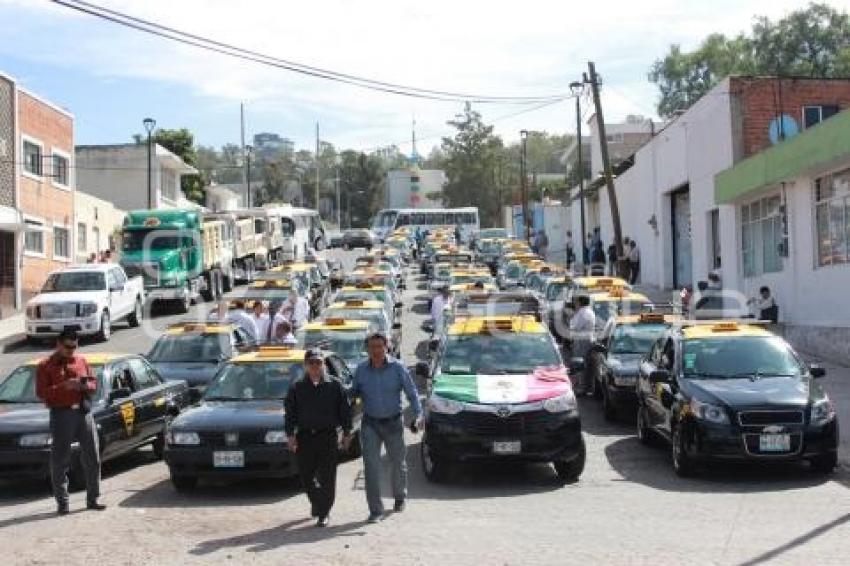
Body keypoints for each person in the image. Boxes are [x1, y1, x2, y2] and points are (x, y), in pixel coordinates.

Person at [351, 332, 423, 523]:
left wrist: (418, 414)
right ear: (367, 349)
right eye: (372, 347)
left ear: (386, 347)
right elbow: (353, 394)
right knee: (371, 468)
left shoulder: (398, 368)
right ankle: (375, 510)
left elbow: (412, 392)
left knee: (398, 463)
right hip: (370, 424)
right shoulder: (361, 370)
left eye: (379, 346)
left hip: (393, 422)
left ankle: (399, 496)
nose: (376, 350)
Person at [35, 329, 105, 515]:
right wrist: (63, 386)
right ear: (58, 344)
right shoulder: (45, 365)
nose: (71, 350)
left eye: (74, 346)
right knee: (60, 460)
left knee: (93, 456)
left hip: (83, 413)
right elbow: (41, 393)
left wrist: (83, 385)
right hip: (61, 414)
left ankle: (93, 498)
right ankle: (62, 502)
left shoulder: (81, 361)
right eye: (68, 347)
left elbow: (94, 384)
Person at [284, 348, 353, 527]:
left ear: (323, 364)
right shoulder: (297, 387)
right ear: (305, 365)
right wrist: (290, 435)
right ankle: (317, 502)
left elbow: (345, 411)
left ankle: (324, 512)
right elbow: (290, 413)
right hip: (305, 437)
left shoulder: (335, 385)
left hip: (328, 437)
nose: (315, 366)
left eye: (318, 362)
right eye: (311, 362)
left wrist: (347, 433)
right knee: (306, 476)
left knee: (328, 477)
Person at [568, 295, 596, 396]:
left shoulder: (583, 313)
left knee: (580, 364)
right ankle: (585, 387)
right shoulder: (588, 311)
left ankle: (582, 388)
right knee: (585, 364)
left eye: (576, 301)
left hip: (582, 341)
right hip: (585, 340)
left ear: (580, 302)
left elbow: (575, 326)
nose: (575, 304)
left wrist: (572, 318)